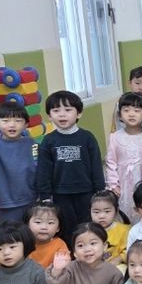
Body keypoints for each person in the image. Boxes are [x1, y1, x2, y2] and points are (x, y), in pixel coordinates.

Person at [36, 90, 105, 243]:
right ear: (49, 116)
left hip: (86, 192)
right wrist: (45, 196)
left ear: (79, 113)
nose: (62, 115)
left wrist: (100, 189)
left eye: (68, 110)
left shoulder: (87, 137)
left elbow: (96, 165)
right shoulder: (48, 141)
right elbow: (43, 170)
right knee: (66, 227)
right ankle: (69, 253)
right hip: (60, 194)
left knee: (87, 225)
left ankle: (88, 250)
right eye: (56, 111)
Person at [105, 92, 142, 225]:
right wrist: (113, 184)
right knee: (125, 211)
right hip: (123, 183)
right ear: (119, 115)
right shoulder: (115, 137)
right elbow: (111, 162)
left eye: (137, 110)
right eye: (126, 110)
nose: (131, 114)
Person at [90, 190, 130, 267]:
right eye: (96, 212)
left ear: (116, 211)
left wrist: (119, 259)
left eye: (107, 211)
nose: (101, 216)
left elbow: (129, 250)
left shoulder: (125, 230)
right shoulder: (87, 231)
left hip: (116, 266)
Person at [112, 66, 142, 132]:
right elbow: (117, 127)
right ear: (130, 83)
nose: (141, 88)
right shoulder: (121, 104)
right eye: (137, 83)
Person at [25, 200, 68, 268]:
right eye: (38, 222)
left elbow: (64, 269)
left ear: (58, 228)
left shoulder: (60, 245)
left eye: (50, 223)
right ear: (27, 225)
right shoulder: (23, 243)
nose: (44, 227)